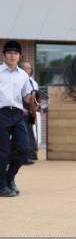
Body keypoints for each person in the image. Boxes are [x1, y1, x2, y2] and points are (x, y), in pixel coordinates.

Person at [0, 41, 34, 197]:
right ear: (4, 55)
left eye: (15, 53)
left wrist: (33, 98)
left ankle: (9, 178)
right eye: (9, 53)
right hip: (1, 114)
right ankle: (1, 186)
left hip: (18, 115)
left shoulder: (23, 75)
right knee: (3, 152)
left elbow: (26, 96)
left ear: (20, 56)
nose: (12, 56)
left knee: (23, 149)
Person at [20, 61, 39, 164]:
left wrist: (35, 107)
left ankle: (31, 154)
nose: (27, 70)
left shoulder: (32, 82)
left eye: (29, 68)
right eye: (25, 68)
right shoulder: (18, 80)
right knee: (24, 133)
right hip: (20, 110)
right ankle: (24, 156)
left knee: (30, 132)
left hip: (31, 110)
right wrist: (21, 109)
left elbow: (35, 96)